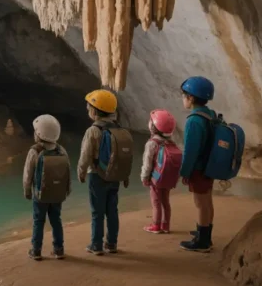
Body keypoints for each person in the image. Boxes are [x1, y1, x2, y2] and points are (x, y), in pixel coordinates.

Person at [77, 89, 133, 256]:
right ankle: (112, 243)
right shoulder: (119, 130)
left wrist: (81, 172)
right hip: (115, 176)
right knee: (112, 210)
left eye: (89, 108)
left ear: (94, 111)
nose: (88, 111)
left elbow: (85, 155)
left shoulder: (93, 131)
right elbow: (126, 155)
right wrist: (125, 176)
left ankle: (96, 245)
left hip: (97, 175)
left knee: (97, 212)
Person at [23, 114, 71, 261]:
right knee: (56, 220)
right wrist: (67, 190)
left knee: (39, 221)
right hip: (57, 194)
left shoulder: (35, 151)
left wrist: (27, 191)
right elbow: (67, 172)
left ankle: (36, 250)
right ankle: (59, 249)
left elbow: (28, 174)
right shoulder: (61, 150)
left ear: (38, 134)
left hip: (40, 194)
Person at [178, 76, 217, 252]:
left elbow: (191, 151)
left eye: (184, 95)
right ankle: (205, 231)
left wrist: (185, 172)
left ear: (191, 98)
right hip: (210, 166)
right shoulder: (209, 114)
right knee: (207, 201)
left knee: (200, 204)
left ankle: (203, 242)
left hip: (199, 169)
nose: (183, 98)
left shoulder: (194, 120)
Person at [141, 109, 181, 234]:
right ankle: (166, 225)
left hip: (156, 178)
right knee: (166, 202)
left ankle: (156, 225)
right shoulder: (171, 143)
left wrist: (145, 177)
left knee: (156, 202)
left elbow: (147, 163)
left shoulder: (152, 143)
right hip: (167, 178)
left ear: (154, 126)